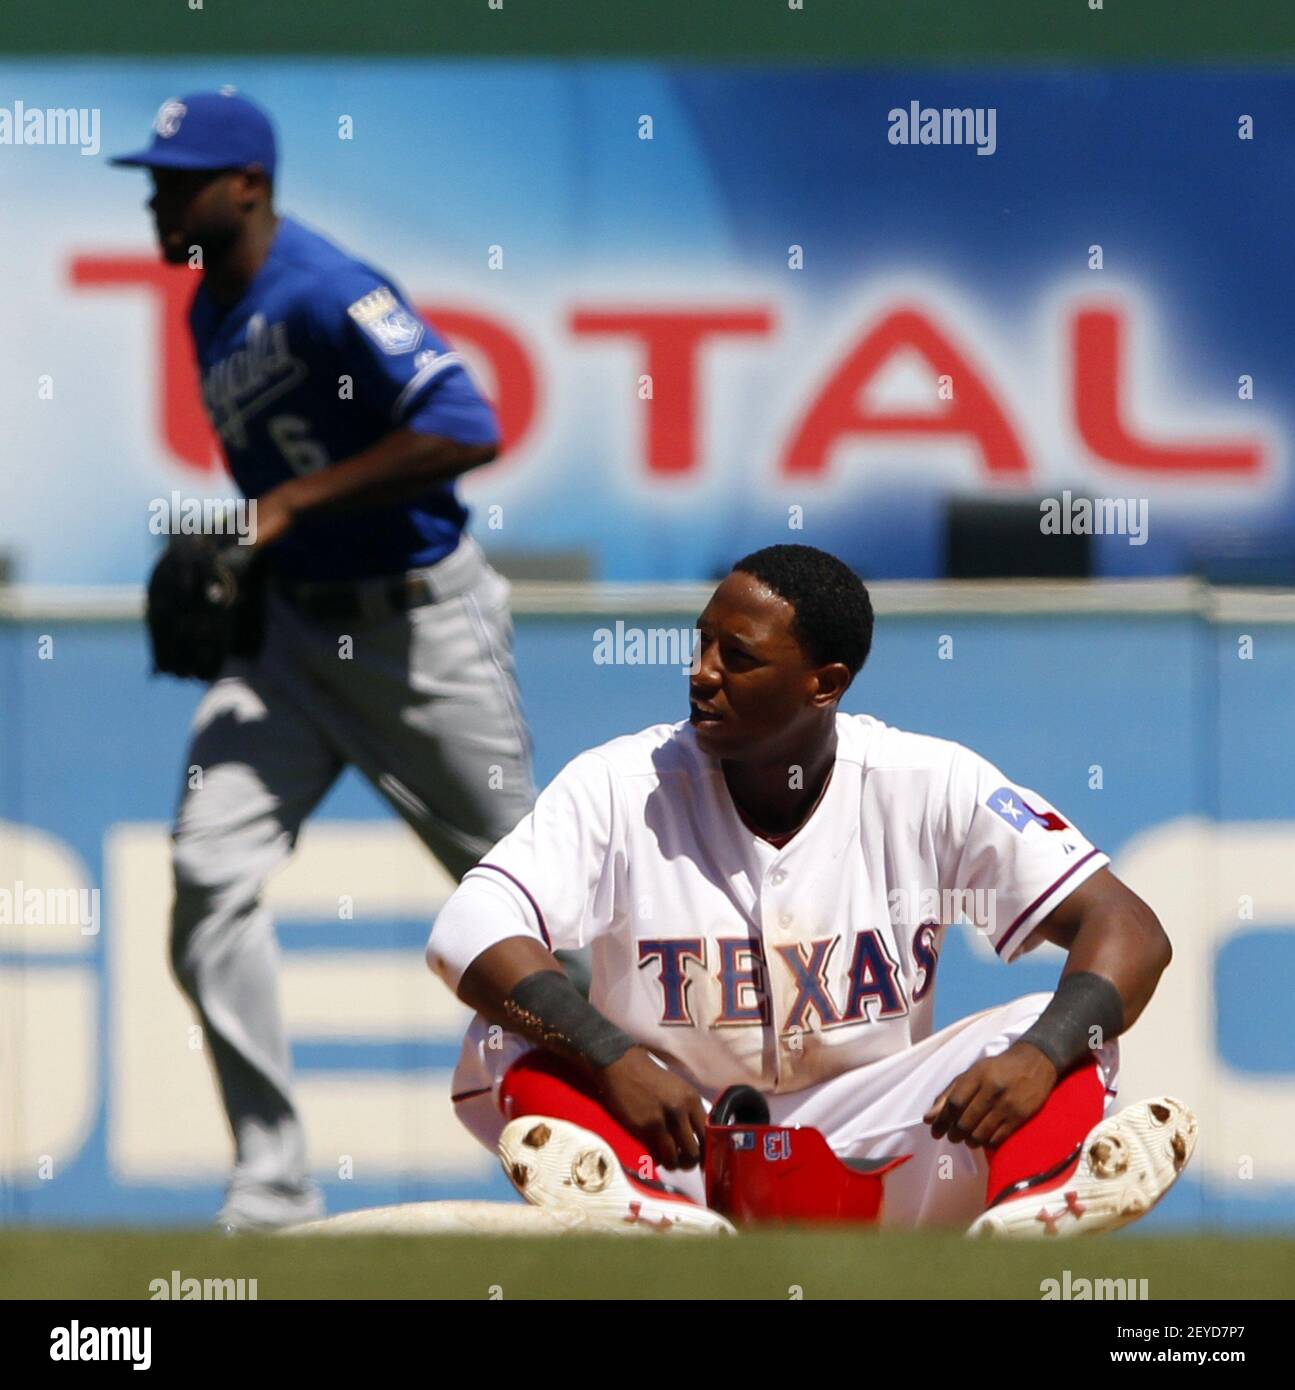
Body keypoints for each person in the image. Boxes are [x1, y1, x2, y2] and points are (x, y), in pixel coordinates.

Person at [426, 543, 1195, 1235]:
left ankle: (1034, 1209)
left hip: (883, 1132)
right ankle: (646, 1222)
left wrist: (1040, 1052)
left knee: (1046, 1026)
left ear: (823, 684)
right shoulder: (623, 783)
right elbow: (468, 928)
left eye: (737, 656)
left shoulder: (926, 781)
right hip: (667, 1128)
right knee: (507, 1034)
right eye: (701, 643)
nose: (702, 672)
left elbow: (1126, 927)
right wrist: (606, 1055)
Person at [112, 90, 535, 1231]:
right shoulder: (211, 304)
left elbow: (466, 423)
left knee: (529, 913)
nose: (158, 199)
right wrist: (249, 544)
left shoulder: (324, 286)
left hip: (417, 633)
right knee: (207, 878)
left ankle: (658, 1146)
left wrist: (285, 505)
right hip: (294, 640)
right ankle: (271, 1185)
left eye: (178, 180)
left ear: (245, 183)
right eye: (152, 180)